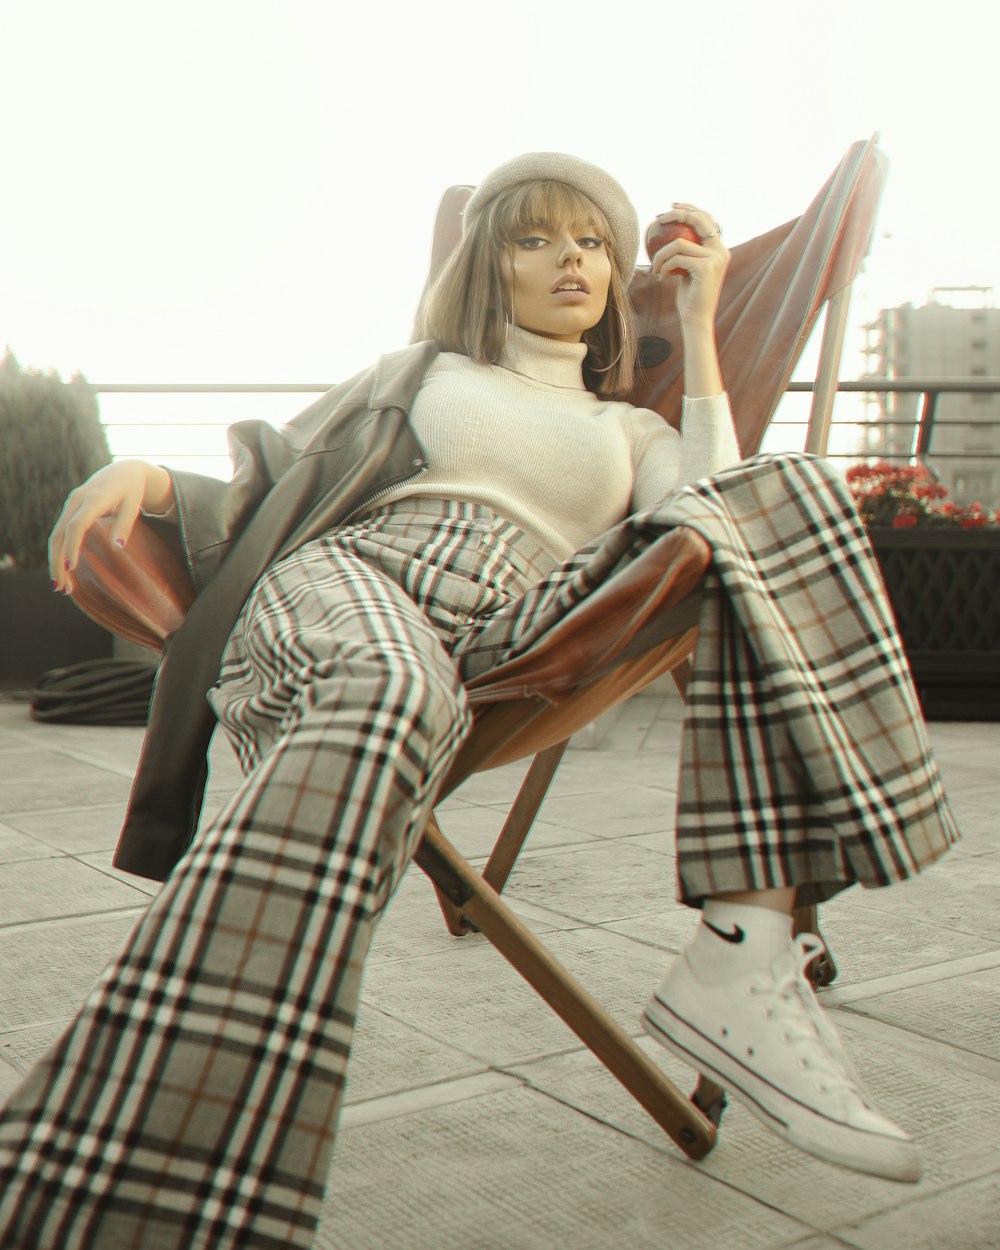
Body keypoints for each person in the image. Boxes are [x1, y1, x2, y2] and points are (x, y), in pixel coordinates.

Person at [0, 152, 958, 1249]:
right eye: (536, 237)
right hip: (360, 577)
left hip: (517, 614)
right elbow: (282, 476)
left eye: (594, 242)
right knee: (394, 699)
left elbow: (715, 526)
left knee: (790, 490)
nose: (573, 261)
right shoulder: (420, 372)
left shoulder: (631, 430)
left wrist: (700, 326)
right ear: (486, 264)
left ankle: (745, 948)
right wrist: (148, 478)